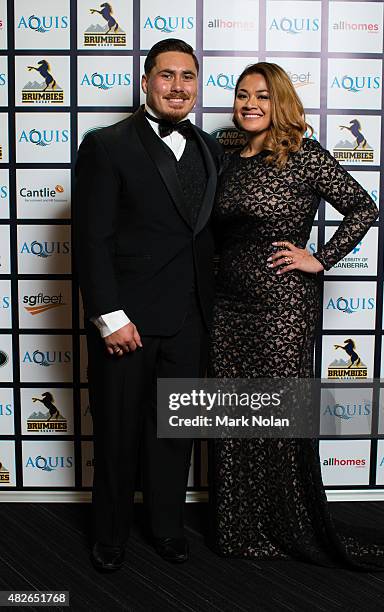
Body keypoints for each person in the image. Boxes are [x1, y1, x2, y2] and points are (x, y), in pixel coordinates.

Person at [209, 62, 384, 570]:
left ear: (281, 102)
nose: (250, 104)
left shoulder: (301, 156)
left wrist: (319, 259)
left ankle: (284, 521)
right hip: (227, 306)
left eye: (262, 96)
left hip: (282, 307)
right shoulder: (227, 155)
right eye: (242, 95)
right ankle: (238, 527)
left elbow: (363, 207)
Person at [74, 38, 223, 571]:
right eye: (167, 76)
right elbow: (92, 239)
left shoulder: (210, 146)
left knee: (173, 435)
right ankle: (110, 535)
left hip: (189, 320)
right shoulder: (107, 145)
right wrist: (110, 317)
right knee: (116, 431)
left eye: (187, 76)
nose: (178, 86)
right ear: (146, 81)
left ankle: (165, 527)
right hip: (127, 323)